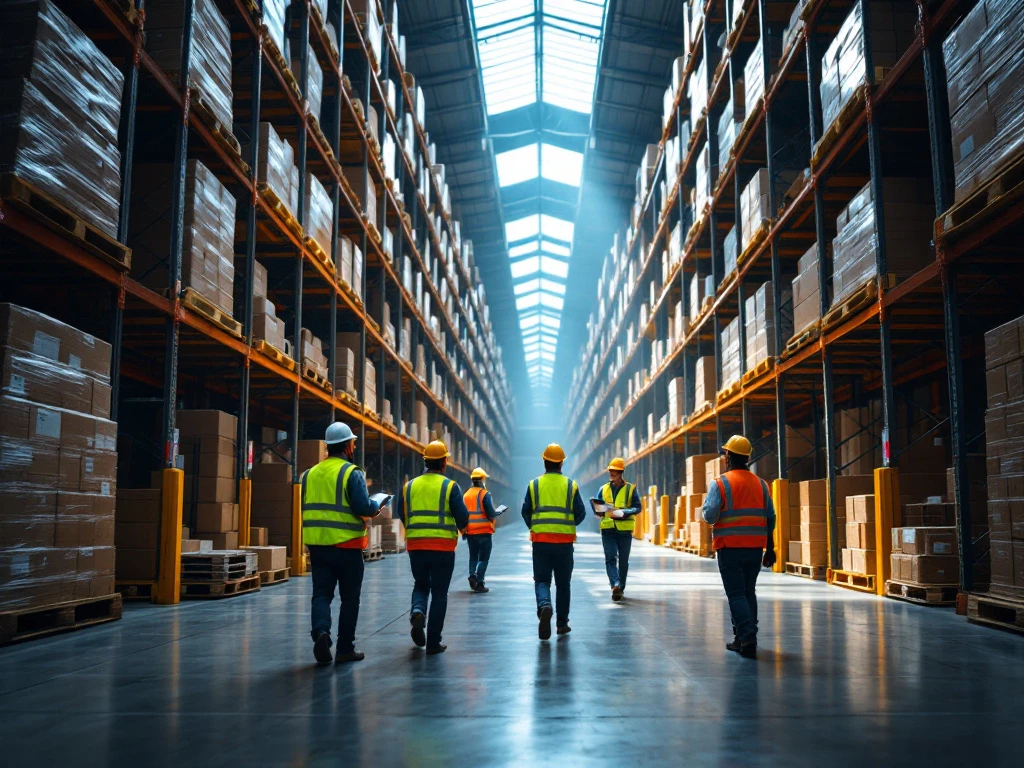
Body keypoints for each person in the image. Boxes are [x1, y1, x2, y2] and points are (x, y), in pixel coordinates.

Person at [301, 422, 380, 664]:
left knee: (321, 595)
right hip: (347, 546)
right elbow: (362, 507)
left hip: (318, 547)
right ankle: (345, 648)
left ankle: (321, 632)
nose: (354, 445)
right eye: (353, 442)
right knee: (349, 598)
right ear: (347, 446)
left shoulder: (309, 474)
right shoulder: (351, 472)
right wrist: (376, 506)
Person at [702, 435, 776, 659]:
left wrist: (705, 512)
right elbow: (770, 518)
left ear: (729, 457)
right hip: (755, 548)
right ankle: (742, 636)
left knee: (735, 594)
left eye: (726, 453)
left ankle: (747, 637)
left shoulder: (720, 483)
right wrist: (770, 548)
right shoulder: (761, 484)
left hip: (729, 547)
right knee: (748, 591)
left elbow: (710, 515)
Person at [395, 440, 469, 655]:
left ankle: (418, 611)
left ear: (426, 461)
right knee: (439, 593)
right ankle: (434, 642)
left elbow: (402, 512)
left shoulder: (409, 486)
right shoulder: (450, 486)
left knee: (420, 585)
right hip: (443, 548)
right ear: (444, 462)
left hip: (416, 545)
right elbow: (462, 517)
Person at [522, 443, 586, 640]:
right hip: (564, 544)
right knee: (563, 583)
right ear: (561, 464)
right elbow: (581, 513)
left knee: (542, 580)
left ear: (544, 462)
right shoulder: (571, 485)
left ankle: (544, 605)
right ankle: (561, 624)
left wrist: (536, 527)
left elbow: (526, 512)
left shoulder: (533, 485)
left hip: (540, 542)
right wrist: (566, 525)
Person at [595, 457, 641, 602]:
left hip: (624, 530)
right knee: (610, 558)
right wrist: (599, 511)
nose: (611, 473)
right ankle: (615, 584)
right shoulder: (603, 489)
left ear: (620, 472)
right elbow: (598, 507)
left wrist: (624, 512)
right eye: (610, 471)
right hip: (608, 529)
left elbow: (637, 507)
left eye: (614, 471)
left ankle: (620, 588)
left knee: (623, 561)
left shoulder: (630, 489)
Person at [463, 467, 497, 593]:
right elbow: (490, 513)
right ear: (483, 479)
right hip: (484, 531)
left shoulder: (466, 494)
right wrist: (496, 513)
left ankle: (472, 575)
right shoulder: (484, 494)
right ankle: (479, 581)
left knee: (473, 556)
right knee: (483, 558)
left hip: (470, 531)